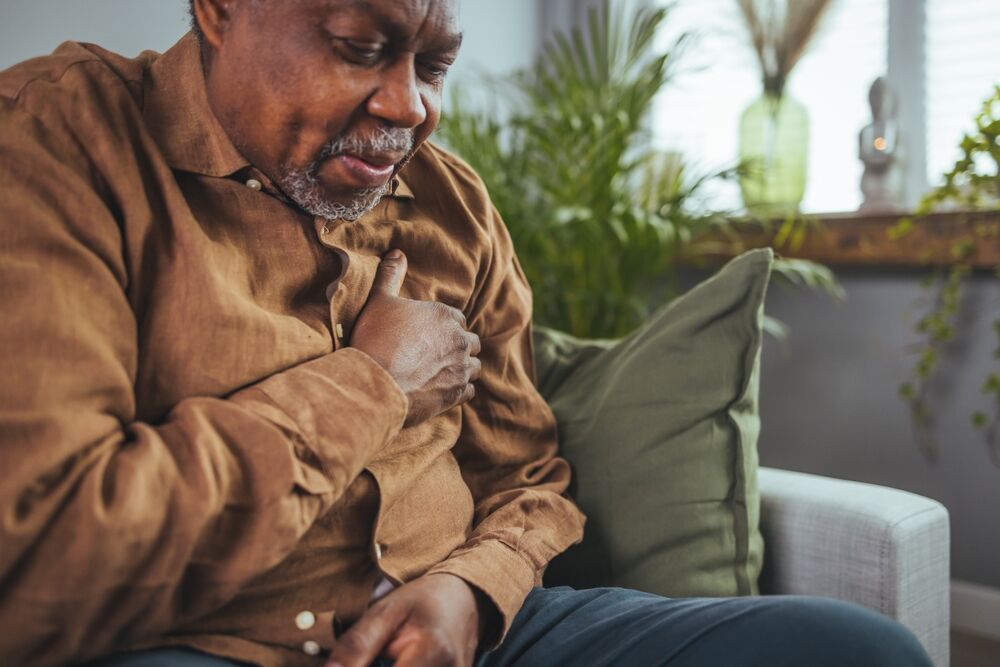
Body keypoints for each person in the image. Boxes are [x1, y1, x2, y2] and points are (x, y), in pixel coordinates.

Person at [0, 1, 934, 666]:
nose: (410, 106)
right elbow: (43, 556)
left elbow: (527, 476)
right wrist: (373, 381)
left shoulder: (452, 205)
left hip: (490, 634)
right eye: (360, 46)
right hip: (199, 640)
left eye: (433, 64)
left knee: (860, 649)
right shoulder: (56, 141)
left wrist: (473, 593)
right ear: (219, 8)